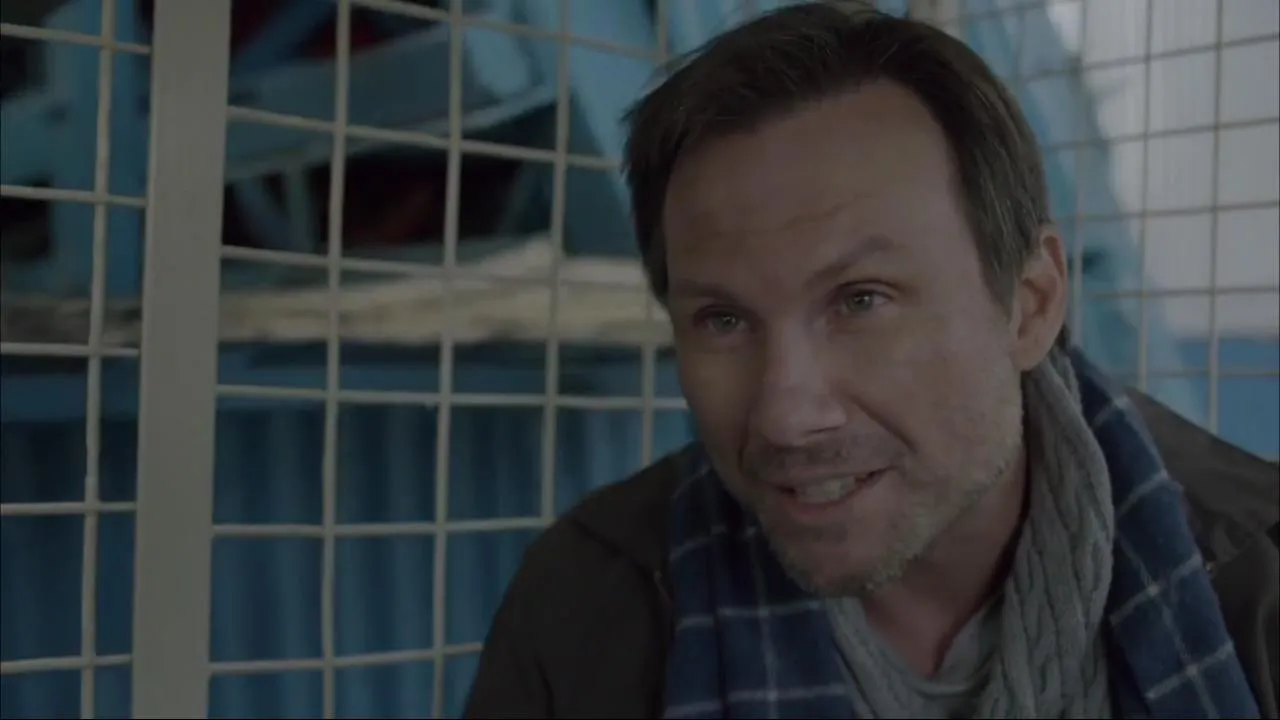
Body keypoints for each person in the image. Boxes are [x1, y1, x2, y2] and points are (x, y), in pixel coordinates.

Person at [463, 3, 1279, 718]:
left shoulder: (1257, 584)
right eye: (723, 320)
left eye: (861, 301)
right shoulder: (589, 607)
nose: (786, 415)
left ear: (1031, 304)